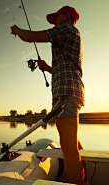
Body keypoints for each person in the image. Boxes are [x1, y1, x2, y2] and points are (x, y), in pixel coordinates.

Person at [11, 6, 86, 185]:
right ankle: (85, 174)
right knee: (72, 144)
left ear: (66, 16)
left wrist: (17, 29)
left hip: (66, 95)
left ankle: (81, 182)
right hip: (68, 93)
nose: (54, 22)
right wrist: (47, 68)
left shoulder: (66, 29)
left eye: (56, 18)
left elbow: (29, 37)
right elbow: (66, 69)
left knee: (69, 150)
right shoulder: (73, 35)